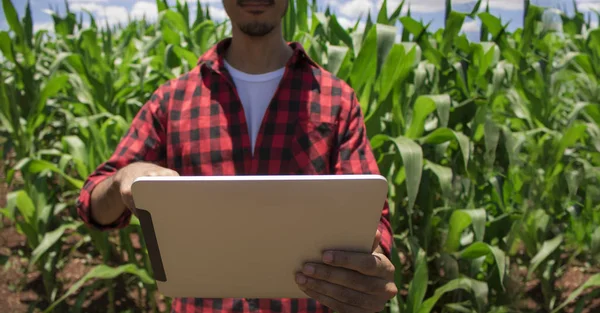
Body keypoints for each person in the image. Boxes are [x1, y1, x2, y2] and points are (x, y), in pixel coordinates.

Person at [76, 0, 397, 312]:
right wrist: (124, 177)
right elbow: (93, 203)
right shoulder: (172, 100)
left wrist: (368, 271)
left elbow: (373, 225)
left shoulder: (336, 99)